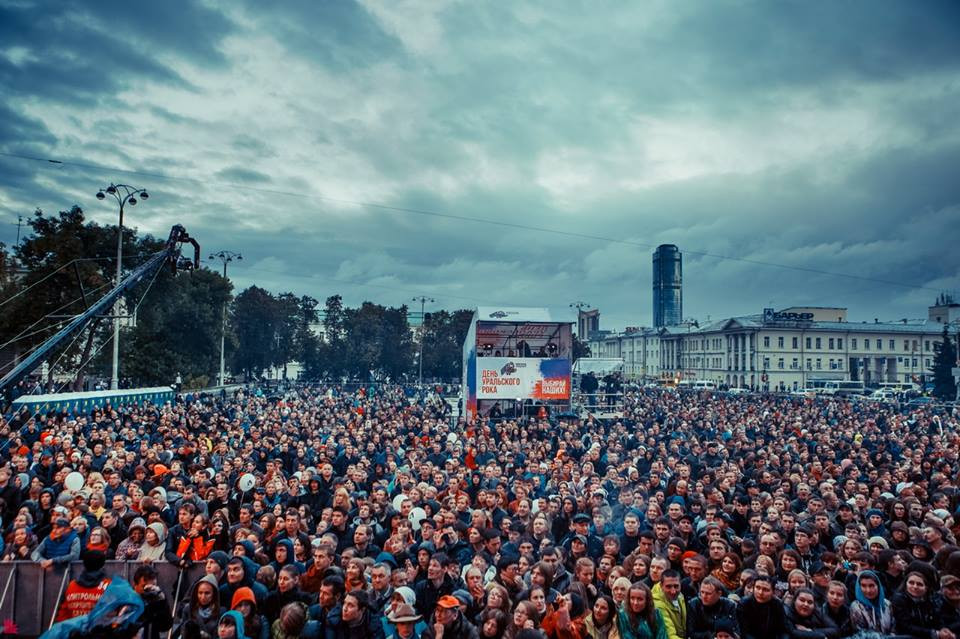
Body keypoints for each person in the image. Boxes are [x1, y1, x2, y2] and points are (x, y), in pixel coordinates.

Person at [891, 570, 954, 639]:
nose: (915, 587)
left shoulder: (929, 600)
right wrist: (935, 633)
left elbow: (937, 619)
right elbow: (905, 626)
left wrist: (943, 629)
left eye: (919, 584)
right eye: (911, 583)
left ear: (926, 588)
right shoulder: (899, 599)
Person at [54, 550, 111, 622]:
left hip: (74, 627)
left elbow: (62, 615)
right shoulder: (109, 586)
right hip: (99, 628)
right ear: (103, 564)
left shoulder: (71, 586)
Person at [848, 570, 893, 635]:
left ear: (878, 586)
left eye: (871, 585)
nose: (868, 590)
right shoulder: (856, 607)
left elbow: (893, 627)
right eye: (863, 586)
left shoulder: (887, 604)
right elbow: (860, 633)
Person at [652, 570, 686, 639]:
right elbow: (670, 635)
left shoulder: (680, 596)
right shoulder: (657, 605)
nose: (673, 591)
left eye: (676, 586)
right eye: (668, 587)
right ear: (661, 586)